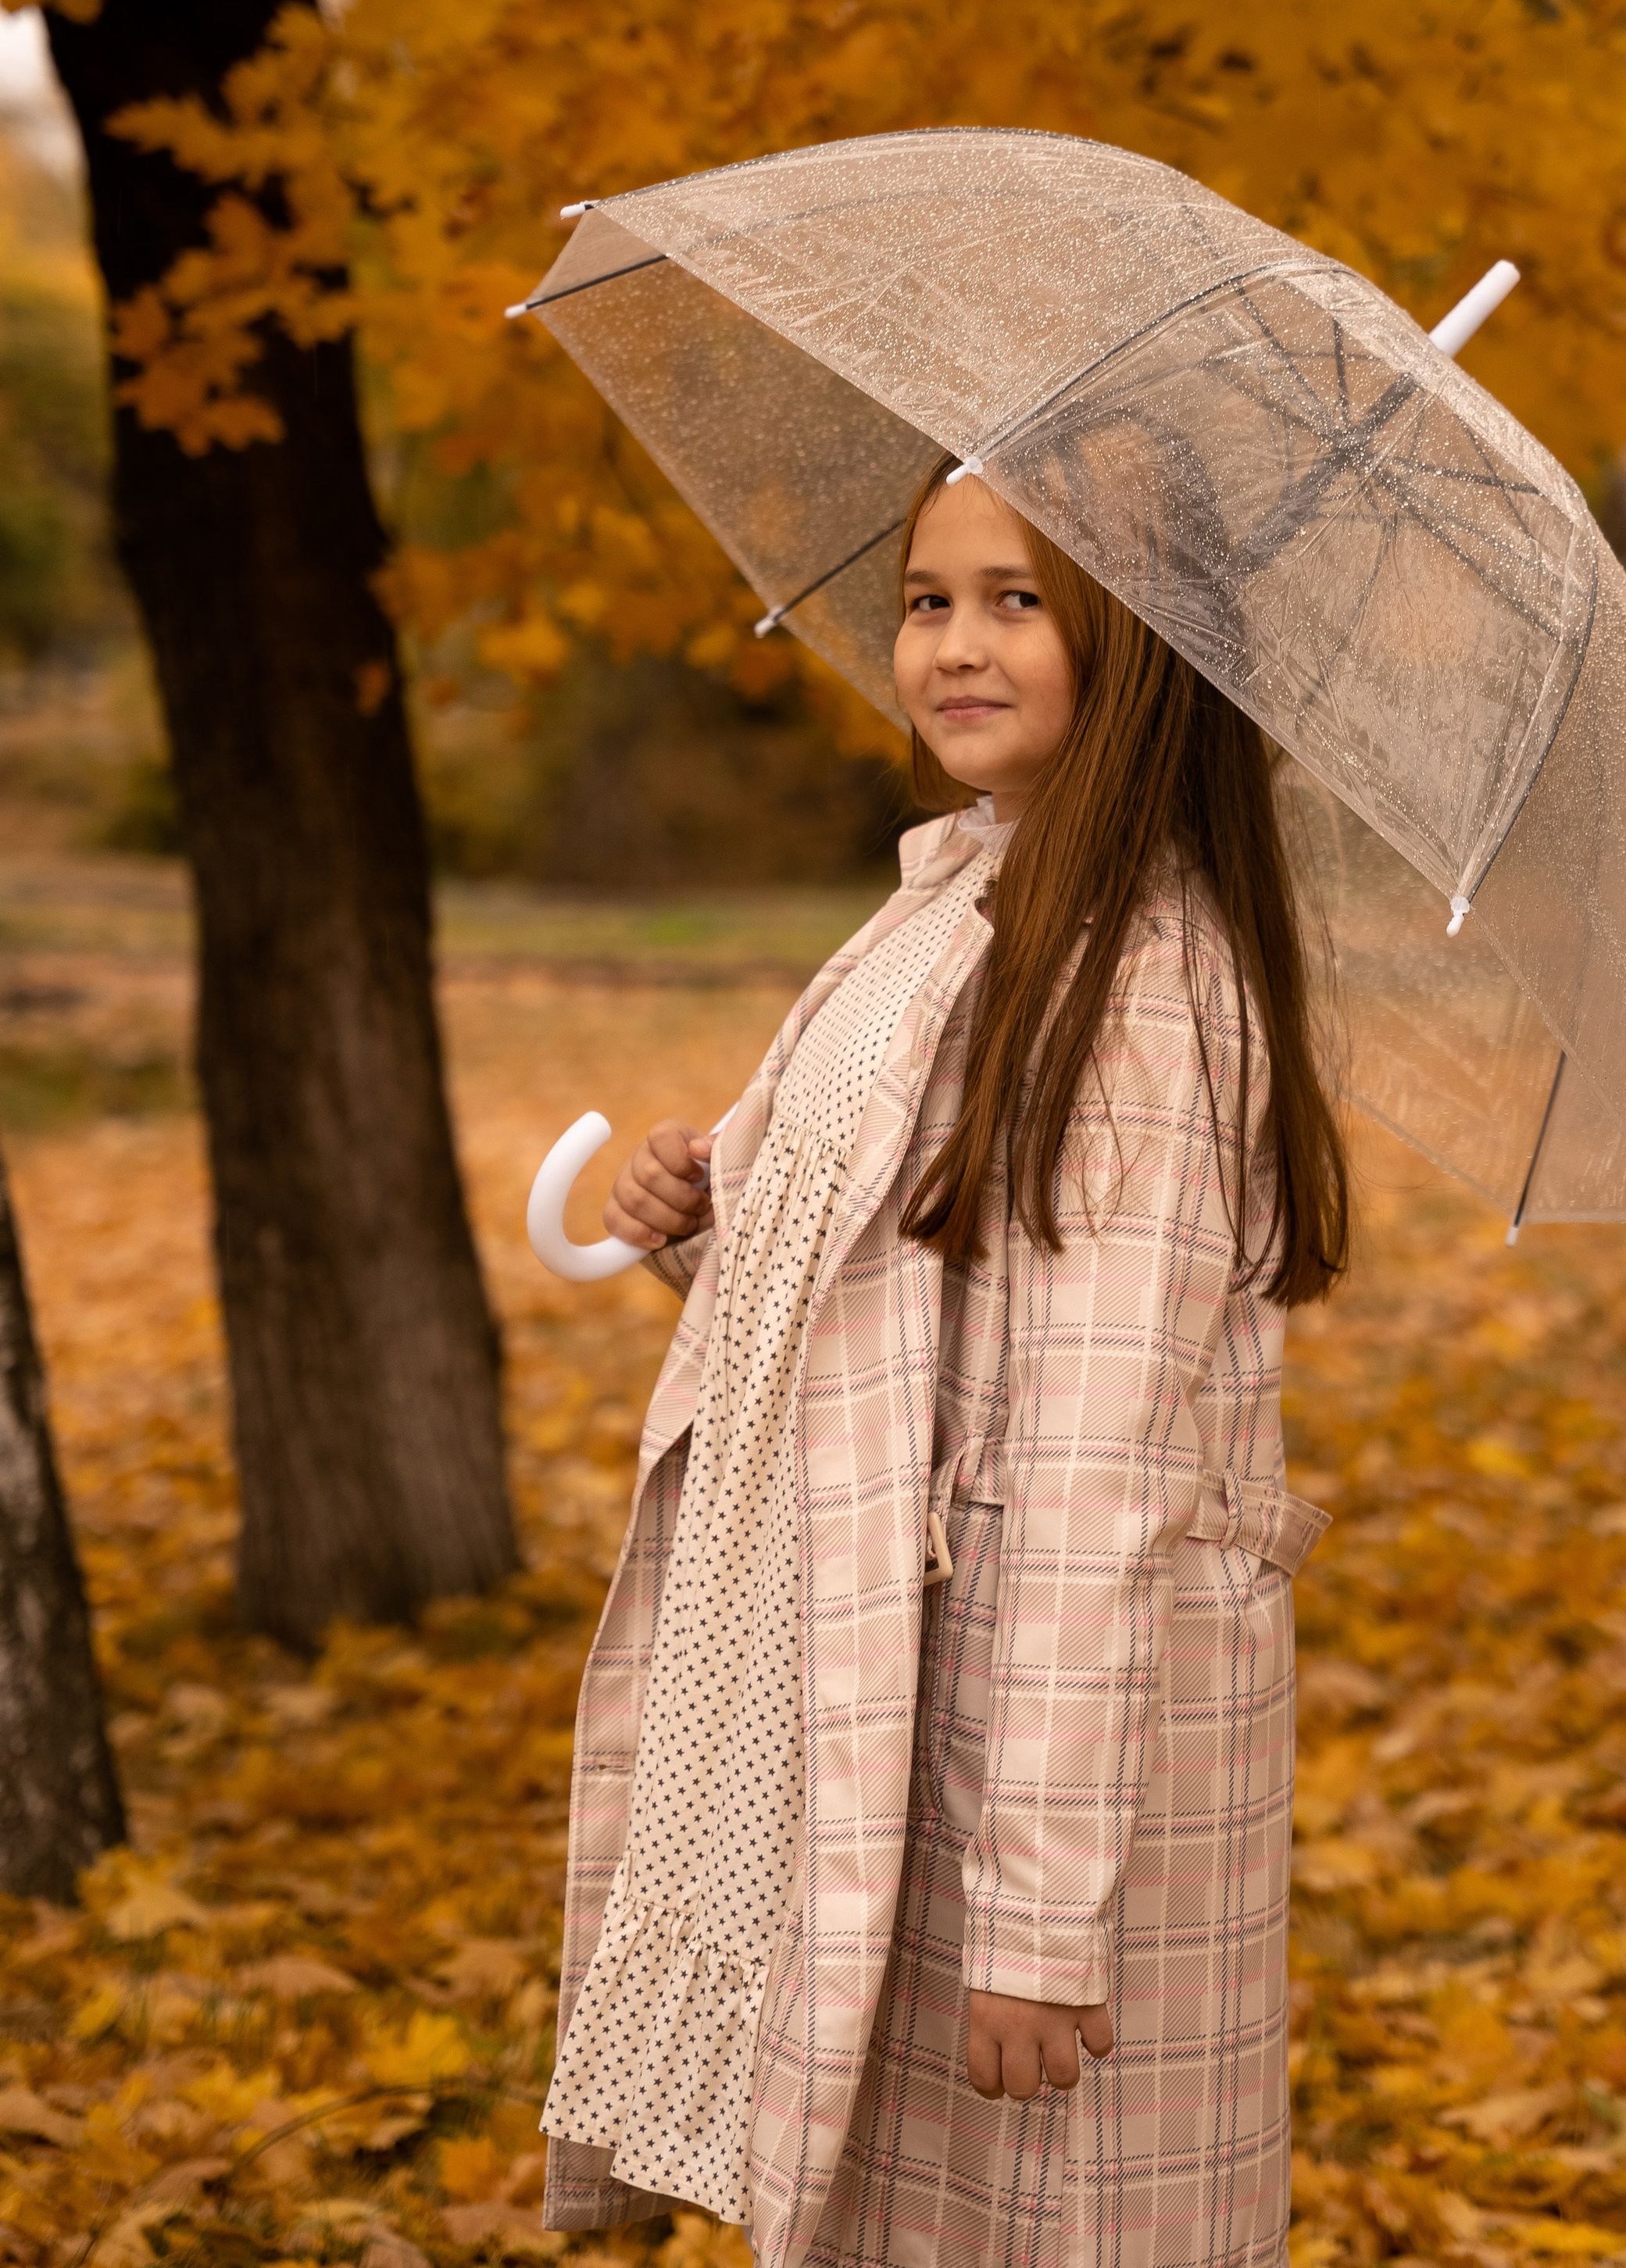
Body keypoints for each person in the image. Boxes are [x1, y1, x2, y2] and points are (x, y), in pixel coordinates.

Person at [540, 455, 1349, 2268]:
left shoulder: (1135, 985)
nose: (954, 647)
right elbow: (909, 1295)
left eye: (1018, 601)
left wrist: (1044, 1928)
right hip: (915, 1697)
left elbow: (1086, 1482)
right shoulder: (957, 910)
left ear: (1139, 652)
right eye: (926, 599)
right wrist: (707, 1218)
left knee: (1051, 2227)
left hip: (1041, 1759)